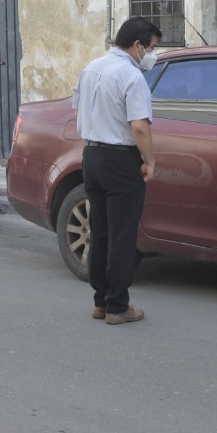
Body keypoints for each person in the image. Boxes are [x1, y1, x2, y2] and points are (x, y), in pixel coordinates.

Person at [72, 16, 160, 325]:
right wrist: (149, 161)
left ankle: (100, 301)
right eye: (150, 48)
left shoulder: (91, 68)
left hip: (92, 155)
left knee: (101, 232)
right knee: (122, 236)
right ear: (137, 45)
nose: (151, 54)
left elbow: (77, 108)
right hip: (121, 159)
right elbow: (139, 126)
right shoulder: (131, 76)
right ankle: (118, 306)